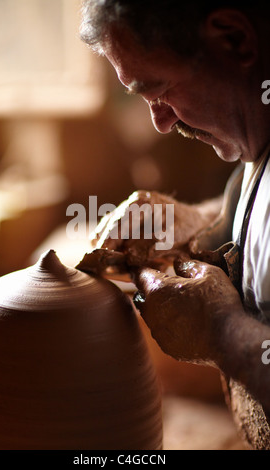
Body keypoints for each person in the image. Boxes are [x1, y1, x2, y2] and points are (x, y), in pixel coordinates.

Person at [80, 0, 270, 449]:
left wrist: (223, 333)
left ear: (233, 38)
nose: (160, 122)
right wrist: (192, 219)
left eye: (158, 88)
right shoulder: (258, 132)